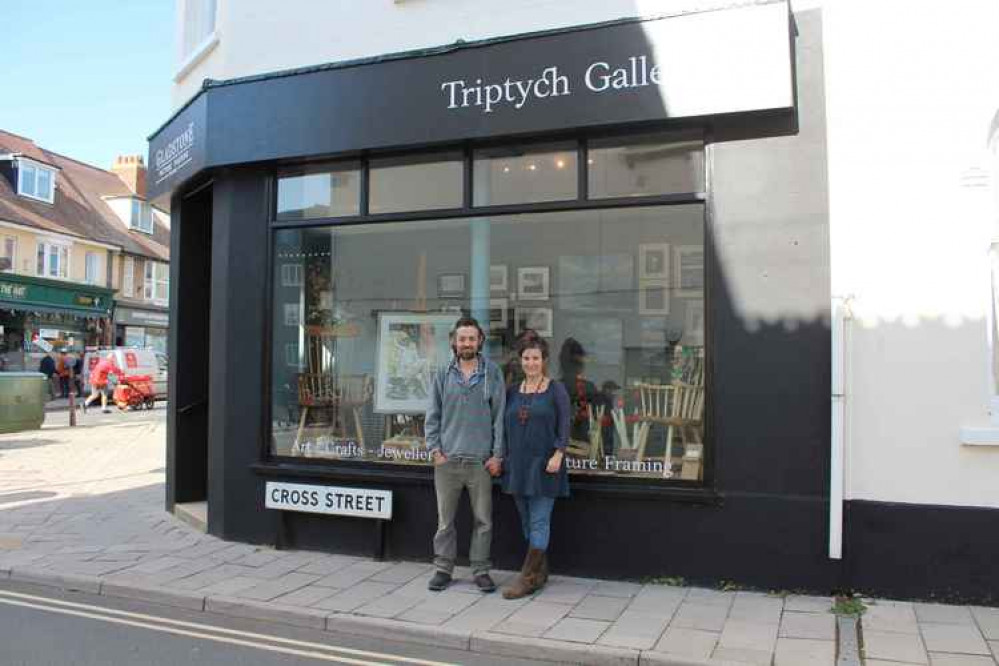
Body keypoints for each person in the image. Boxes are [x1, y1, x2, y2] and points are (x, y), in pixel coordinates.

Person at [424, 316, 506, 593]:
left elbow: (499, 419)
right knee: (445, 521)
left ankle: (481, 570)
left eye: (472, 338)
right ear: (454, 341)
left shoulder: (492, 373)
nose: (467, 343)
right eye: (462, 338)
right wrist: (435, 451)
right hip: (447, 462)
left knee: (483, 521)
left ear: (480, 341)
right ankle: (443, 569)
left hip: (480, 463)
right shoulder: (442, 374)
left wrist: (497, 456)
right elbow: (432, 415)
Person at [501, 331, 570, 599]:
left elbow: (564, 424)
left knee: (540, 522)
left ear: (544, 360)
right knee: (528, 524)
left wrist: (558, 454)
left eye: (536, 358)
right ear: (520, 360)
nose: (531, 362)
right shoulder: (511, 392)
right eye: (526, 357)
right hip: (517, 467)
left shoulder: (556, 390)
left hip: (545, 467)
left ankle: (528, 578)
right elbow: (504, 428)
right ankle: (541, 572)